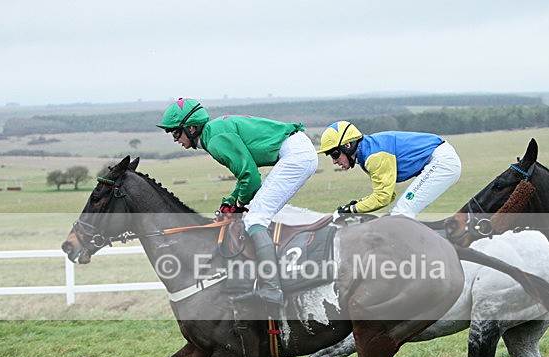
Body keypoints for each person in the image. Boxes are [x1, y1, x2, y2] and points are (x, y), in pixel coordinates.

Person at [158, 98, 318, 306]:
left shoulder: (215, 140)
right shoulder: (212, 133)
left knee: (255, 219)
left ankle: (271, 287)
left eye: (175, 132)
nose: (174, 138)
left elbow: (251, 178)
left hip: (295, 155)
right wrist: (233, 200)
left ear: (190, 128)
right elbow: (247, 176)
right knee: (256, 212)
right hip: (296, 151)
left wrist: (238, 204)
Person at [317, 121, 461, 218]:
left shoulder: (374, 156)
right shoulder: (367, 152)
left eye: (335, 154)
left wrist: (352, 210)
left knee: (401, 214)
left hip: (442, 162)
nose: (334, 161)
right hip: (439, 158)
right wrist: (356, 205)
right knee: (395, 215)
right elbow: (388, 194)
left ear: (347, 145)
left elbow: (383, 198)